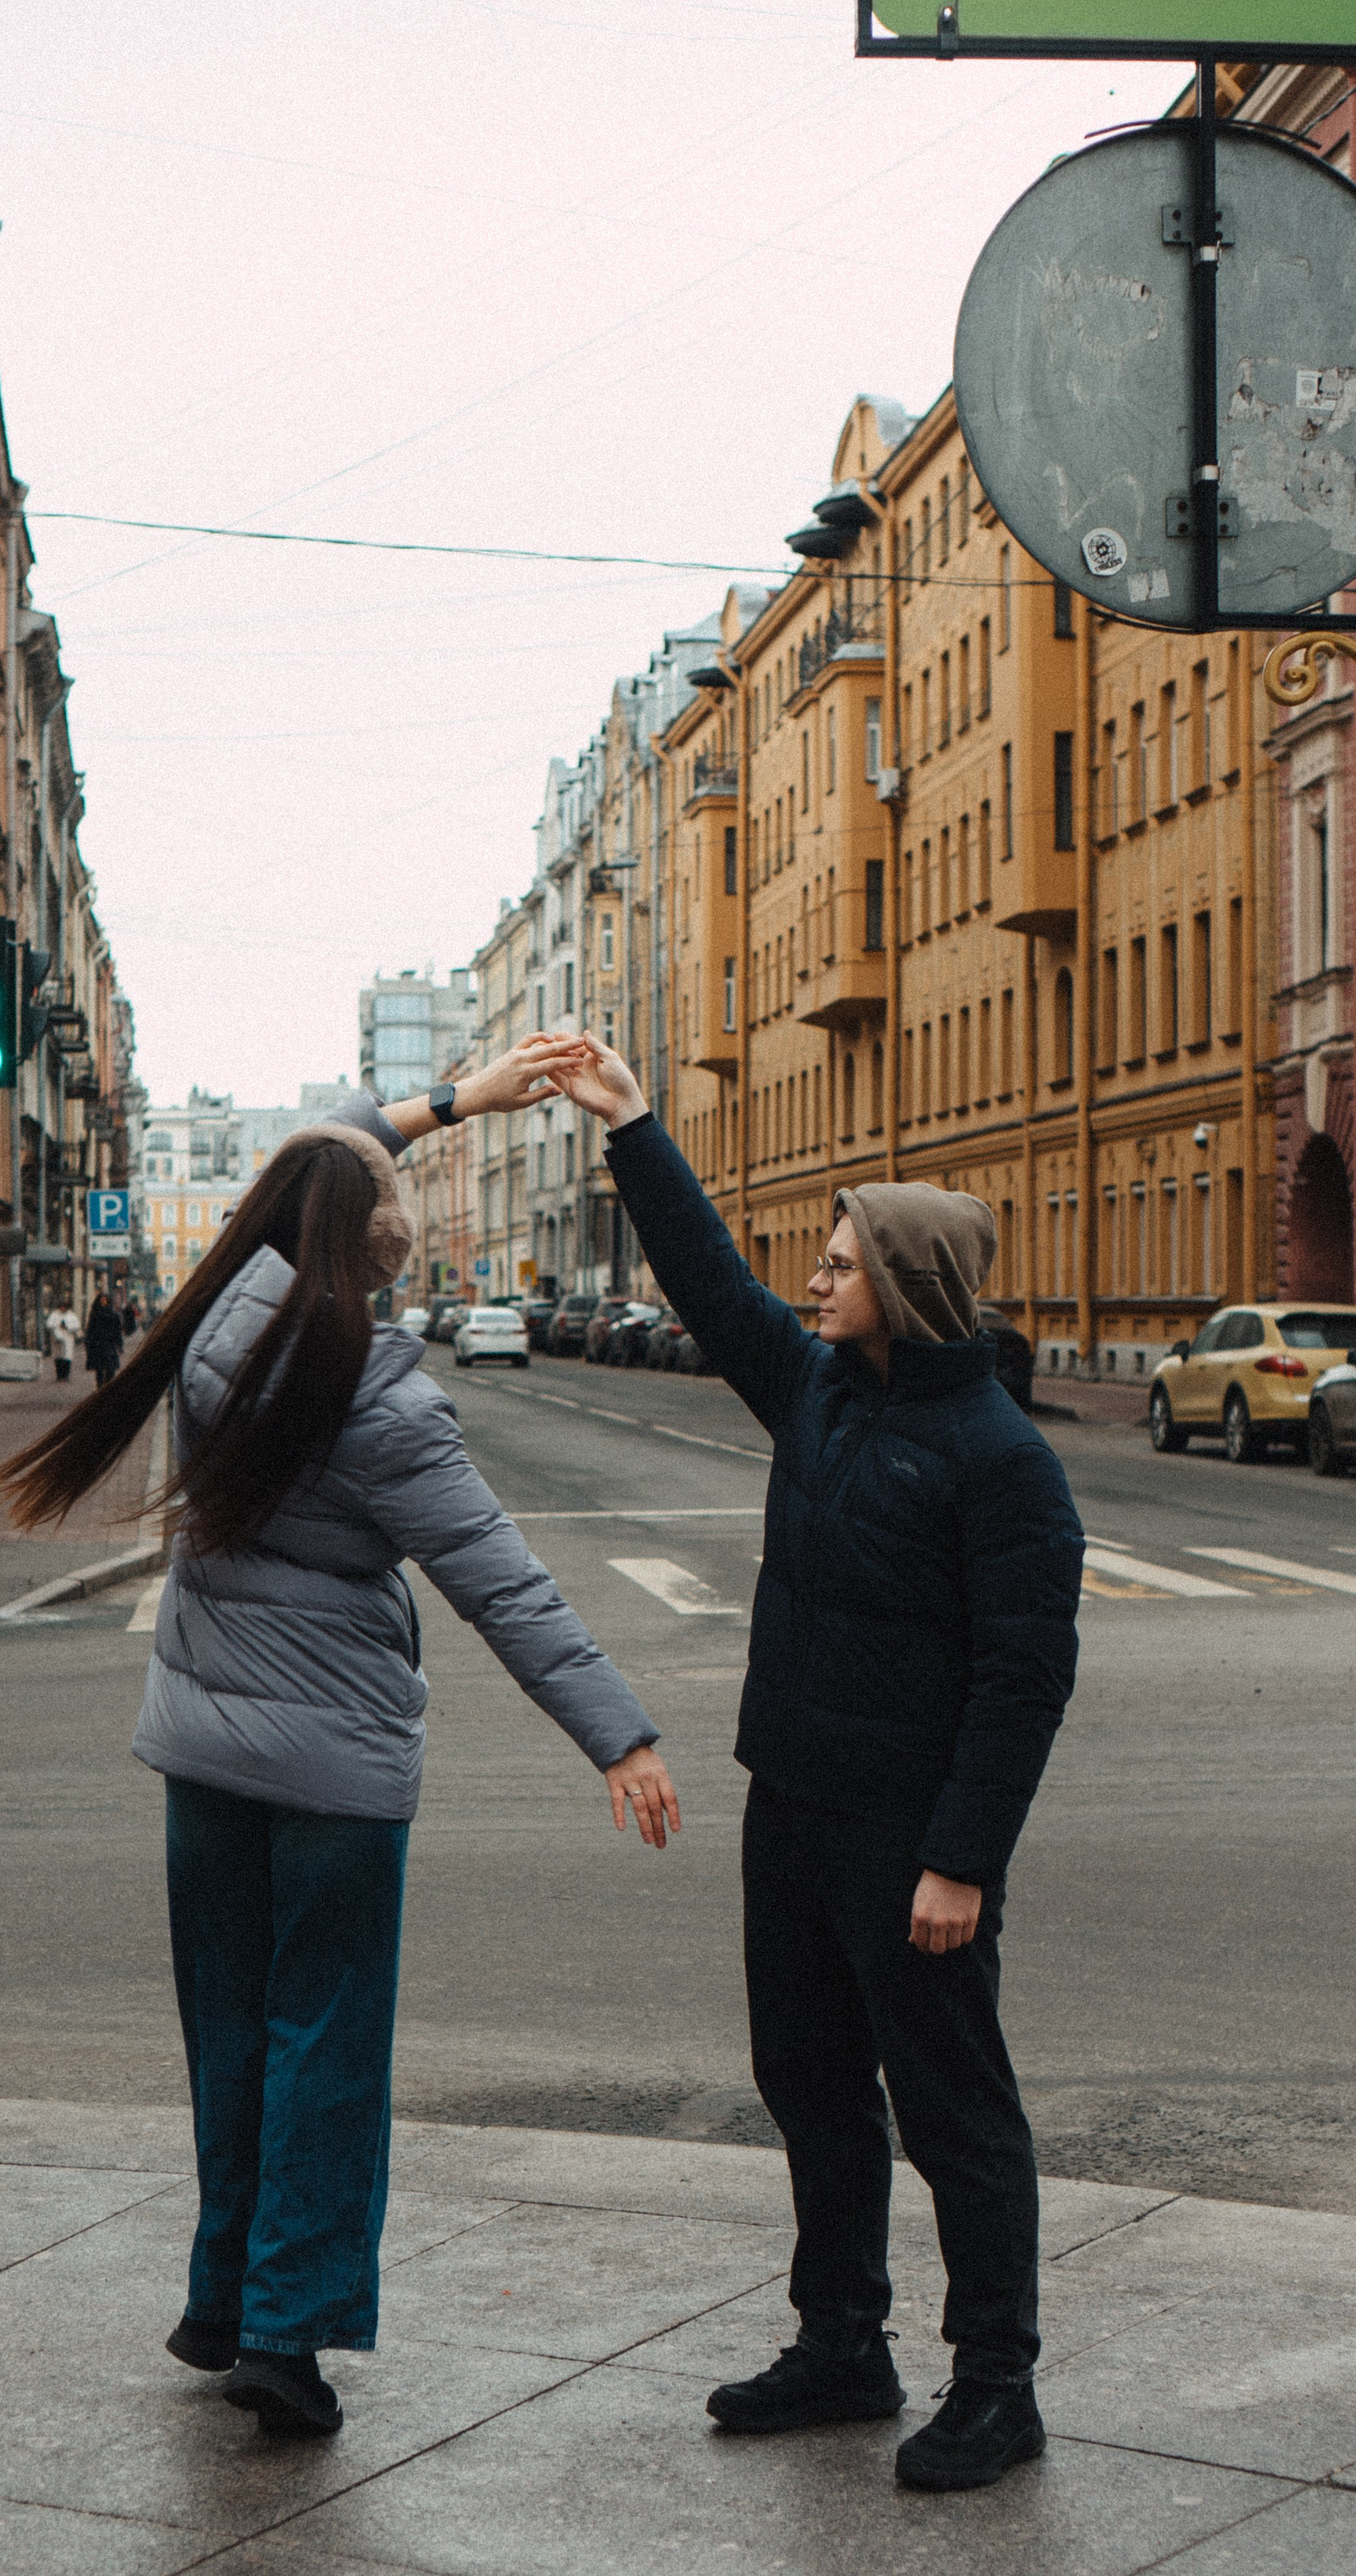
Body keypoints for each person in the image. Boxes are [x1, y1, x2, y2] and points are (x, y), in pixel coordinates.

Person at [0, 1038, 680, 2444]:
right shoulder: (380, 1393)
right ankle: (286, 2337)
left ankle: (221, 2300)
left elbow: (317, 1163)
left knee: (231, 2036)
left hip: (202, 1756)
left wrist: (448, 1102)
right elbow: (500, 1582)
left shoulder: (225, 1312)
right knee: (325, 2049)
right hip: (335, 1783)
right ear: (380, 1259)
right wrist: (619, 1733)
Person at [553, 1032, 1082, 2496]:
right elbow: (712, 1291)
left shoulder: (996, 1460)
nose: (814, 1277)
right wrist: (632, 1128)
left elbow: (1023, 1677)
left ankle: (997, 2385)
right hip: (787, 1803)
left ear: (901, 1286)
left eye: (839, 1261)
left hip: (908, 1836)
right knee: (806, 2081)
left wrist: (961, 1858)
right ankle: (842, 2342)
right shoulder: (823, 1398)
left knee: (953, 2112)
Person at [84, 1289, 125, 1387]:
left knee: (110, 1368)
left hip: (109, 1344)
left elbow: (117, 1331)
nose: (103, 1302)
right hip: (97, 1344)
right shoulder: (95, 1314)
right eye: (102, 1300)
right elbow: (90, 1329)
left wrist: (120, 1344)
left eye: (105, 1300)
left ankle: (108, 1386)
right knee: (99, 1369)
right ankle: (100, 1387)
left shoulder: (113, 1315)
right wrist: (88, 1342)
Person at [46, 1299, 82, 1383]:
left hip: (67, 1338)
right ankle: (59, 1376)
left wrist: (68, 1327)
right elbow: (49, 1324)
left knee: (67, 1357)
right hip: (57, 1339)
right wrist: (56, 1326)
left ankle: (66, 1376)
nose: (63, 1308)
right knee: (58, 1357)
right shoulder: (54, 1315)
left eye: (65, 1307)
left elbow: (77, 1325)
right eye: (62, 1307)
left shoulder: (72, 1316)